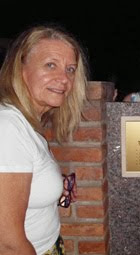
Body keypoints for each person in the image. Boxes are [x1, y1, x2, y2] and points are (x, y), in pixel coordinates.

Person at [0, 25, 88, 254]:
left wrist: (53, 185)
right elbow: (7, 244)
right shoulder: (8, 127)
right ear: (20, 69)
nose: (64, 79)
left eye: (70, 69)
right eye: (51, 65)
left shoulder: (27, 122)